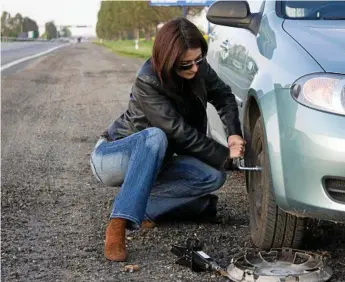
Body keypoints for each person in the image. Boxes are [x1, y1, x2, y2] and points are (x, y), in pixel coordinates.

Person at [90, 18, 245, 262]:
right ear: (168, 61)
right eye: (185, 65)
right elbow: (178, 131)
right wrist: (224, 154)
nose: (194, 69)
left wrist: (234, 133)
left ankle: (143, 205)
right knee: (156, 136)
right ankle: (119, 221)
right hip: (114, 155)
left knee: (213, 177)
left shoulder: (198, 68)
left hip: (158, 160)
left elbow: (224, 96)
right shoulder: (148, 80)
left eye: (198, 60)